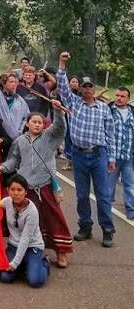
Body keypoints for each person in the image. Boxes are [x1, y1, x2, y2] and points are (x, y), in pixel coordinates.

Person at [0, 100, 73, 268]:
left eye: (40, 122)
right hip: (27, 188)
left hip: (45, 185)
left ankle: (61, 251)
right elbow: (12, 160)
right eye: (34, 122)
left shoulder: (49, 137)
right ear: (27, 123)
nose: (38, 125)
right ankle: (31, 249)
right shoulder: (19, 141)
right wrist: (3, 167)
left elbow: (60, 128)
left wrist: (58, 111)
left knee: (55, 217)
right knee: (29, 220)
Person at [56, 51, 117, 247]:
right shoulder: (73, 103)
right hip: (79, 156)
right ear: (80, 89)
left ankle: (107, 230)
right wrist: (62, 64)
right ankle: (85, 227)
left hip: (99, 155)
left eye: (90, 86)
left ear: (94, 89)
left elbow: (110, 135)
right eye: (84, 86)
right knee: (82, 195)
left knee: (103, 195)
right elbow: (63, 86)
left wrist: (112, 159)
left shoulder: (104, 108)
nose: (88, 89)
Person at [0, 174, 50, 288]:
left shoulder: (32, 211)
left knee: (35, 281)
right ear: (8, 190)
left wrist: (14, 263)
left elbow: (25, 239)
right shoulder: (6, 202)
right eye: (12, 189)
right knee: (5, 277)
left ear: (26, 192)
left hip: (32, 247)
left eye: (19, 190)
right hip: (13, 246)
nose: (15, 193)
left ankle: (45, 263)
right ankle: (24, 264)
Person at [0, 56, 30, 140]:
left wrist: (20, 131)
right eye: (11, 82)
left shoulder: (20, 101)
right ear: (4, 84)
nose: (14, 84)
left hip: (15, 138)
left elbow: (26, 117)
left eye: (15, 82)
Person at [108, 87, 134, 220]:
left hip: (128, 156)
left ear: (128, 99)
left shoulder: (132, 113)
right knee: (109, 185)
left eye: (122, 96)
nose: (118, 98)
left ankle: (131, 209)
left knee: (130, 184)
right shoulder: (109, 111)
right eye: (117, 95)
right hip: (112, 157)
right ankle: (106, 208)